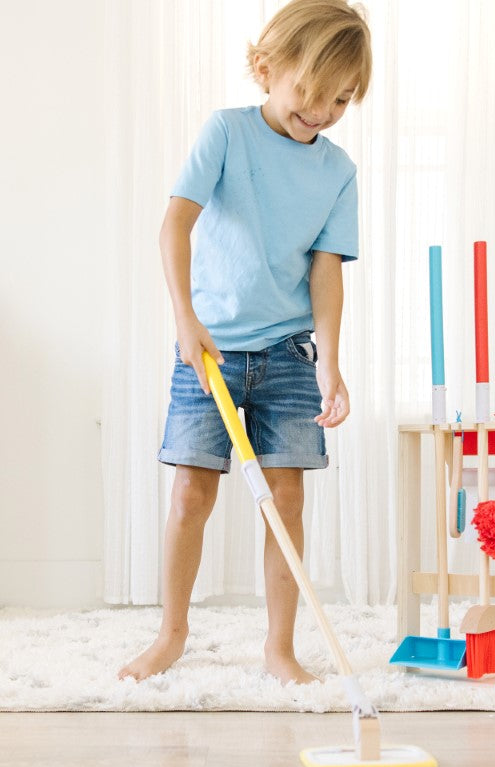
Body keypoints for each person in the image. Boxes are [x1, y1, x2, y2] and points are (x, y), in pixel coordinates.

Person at [118, 0, 372, 685]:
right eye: (310, 94)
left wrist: (332, 365)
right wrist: (184, 320)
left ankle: (279, 649)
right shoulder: (226, 134)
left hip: (290, 355)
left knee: (285, 500)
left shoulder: (338, 171)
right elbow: (174, 226)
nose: (321, 113)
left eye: (342, 100)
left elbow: (325, 271)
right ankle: (172, 634)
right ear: (265, 68)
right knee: (191, 495)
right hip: (210, 352)